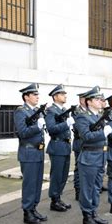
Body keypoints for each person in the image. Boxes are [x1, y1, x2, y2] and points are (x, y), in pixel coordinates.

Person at [74, 86, 111, 224]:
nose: (99, 101)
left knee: (96, 188)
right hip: (89, 157)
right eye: (96, 99)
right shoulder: (82, 116)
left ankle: (94, 212)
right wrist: (103, 133)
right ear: (89, 102)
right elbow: (87, 137)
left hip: (100, 156)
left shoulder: (97, 116)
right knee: (87, 189)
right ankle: (87, 217)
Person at [14, 83, 47, 224]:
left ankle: (33, 208)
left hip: (38, 152)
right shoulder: (21, 111)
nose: (37, 97)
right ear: (26, 97)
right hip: (28, 152)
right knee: (30, 183)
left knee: (37, 182)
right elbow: (22, 132)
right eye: (34, 94)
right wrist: (37, 126)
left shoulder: (37, 111)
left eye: (37, 94)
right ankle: (27, 212)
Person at [45, 84, 74, 212]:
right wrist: (65, 123)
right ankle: (54, 200)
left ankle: (58, 197)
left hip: (65, 146)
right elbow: (51, 129)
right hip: (57, 146)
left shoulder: (63, 110)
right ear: (55, 97)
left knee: (63, 175)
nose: (65, 96)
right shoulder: (51, 111)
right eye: (62, 94)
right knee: (57, 175)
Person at [72, 90, 89, 201]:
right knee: (78, 168)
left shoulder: (88, 112)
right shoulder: (76, 112)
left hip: (87, 142)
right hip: (79, 142)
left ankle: (85, 189)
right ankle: (78, 190)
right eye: (84, 99)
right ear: (81, 100)